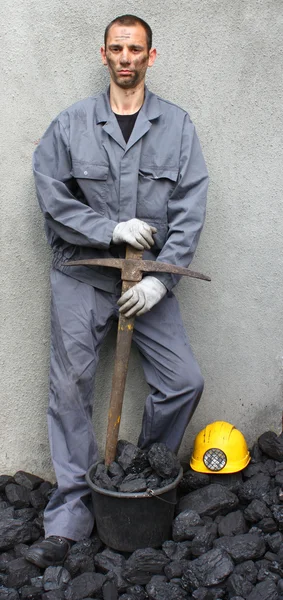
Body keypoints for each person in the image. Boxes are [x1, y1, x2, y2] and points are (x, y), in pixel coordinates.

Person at [26, 14, 209, 568]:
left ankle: (142, 466)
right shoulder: (72, 125)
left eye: (136, 50)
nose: (125, 58)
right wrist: (106, 228)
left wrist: (159, 279)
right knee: (71, 388)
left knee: (184, 381)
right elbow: (51, 195)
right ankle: (71, 513)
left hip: (146, 282)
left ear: (151, 57)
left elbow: (190, 212)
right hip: (84, 273)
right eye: (116, 48)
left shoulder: (177, 128)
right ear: (103, 54)